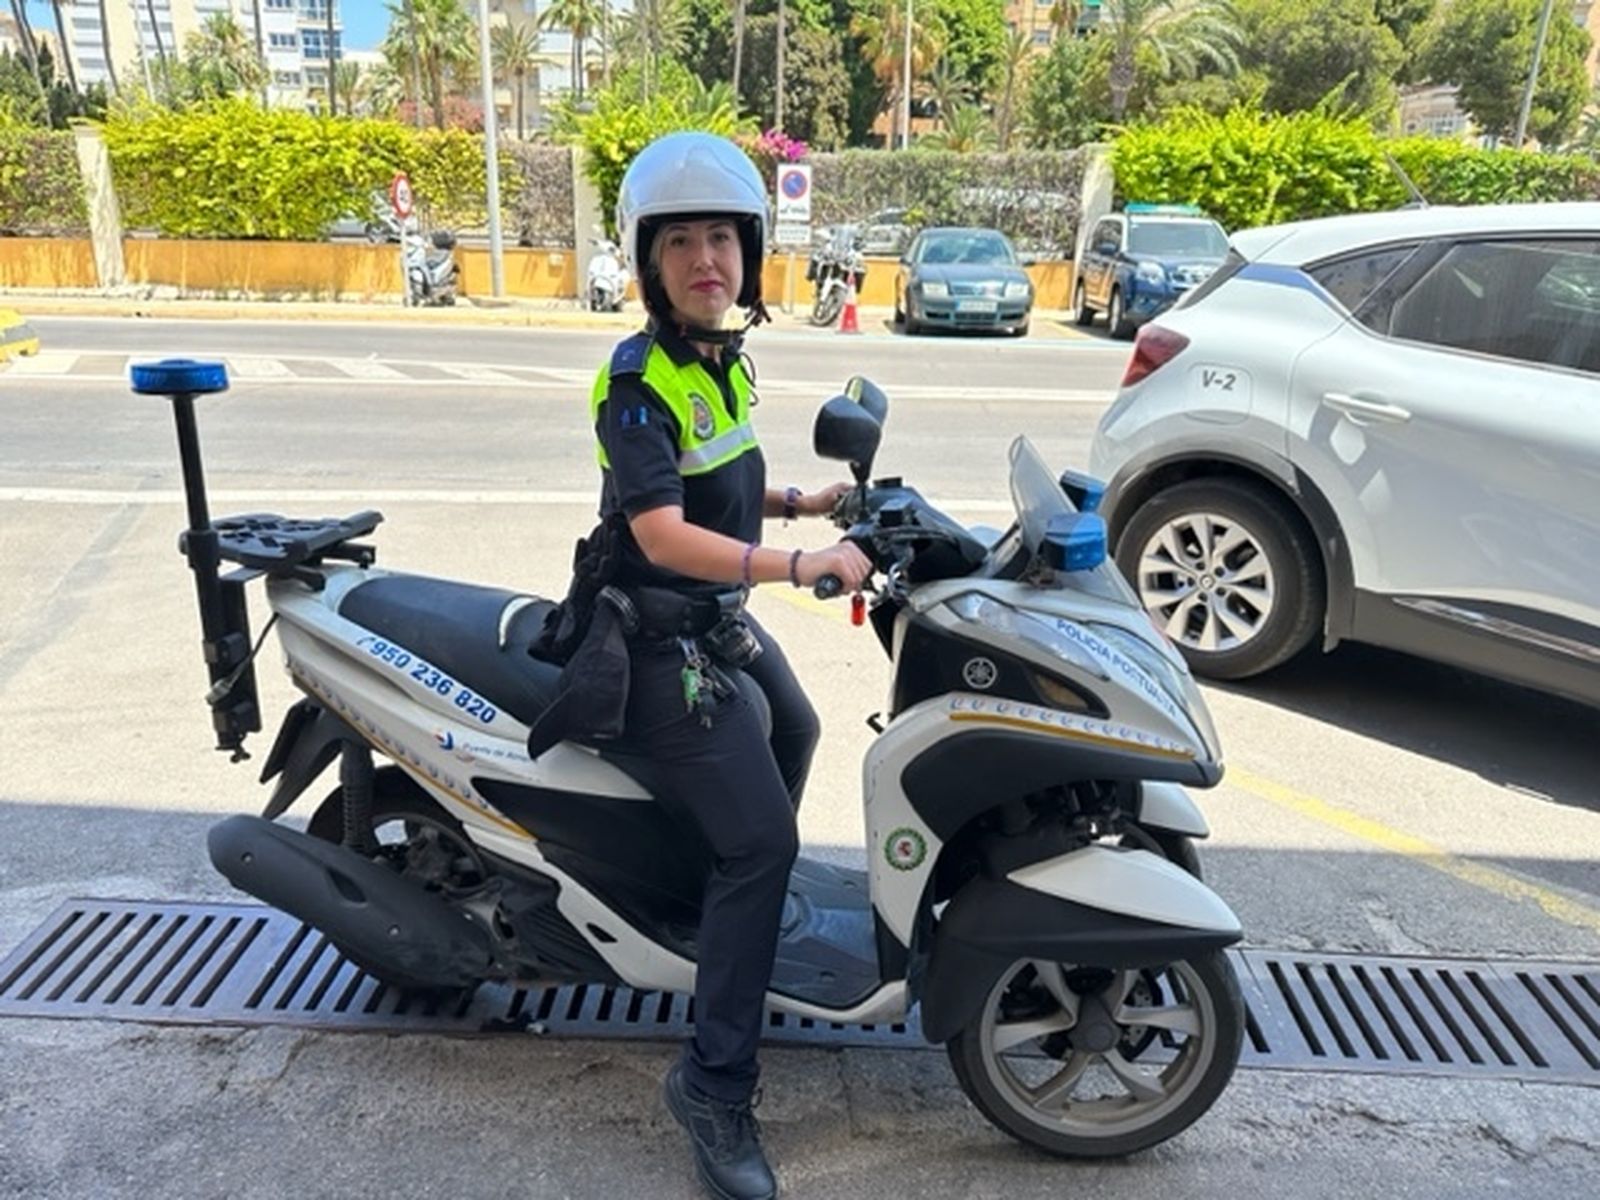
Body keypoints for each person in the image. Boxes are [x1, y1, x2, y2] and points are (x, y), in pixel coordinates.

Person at [591, 132, 872, 1200]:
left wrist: (808, 502)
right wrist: (798, 562)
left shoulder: (718, 359)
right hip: (656, 641)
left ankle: (730, 919)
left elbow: (720, 488)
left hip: (714, 625)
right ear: (650, 262)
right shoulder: (636, 382)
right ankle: (711, 1085)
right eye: (682, 243)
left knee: (796, 728)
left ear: (749, 250)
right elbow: (663, 532)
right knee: (763, 843)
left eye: (723, 238)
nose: (707, 258)